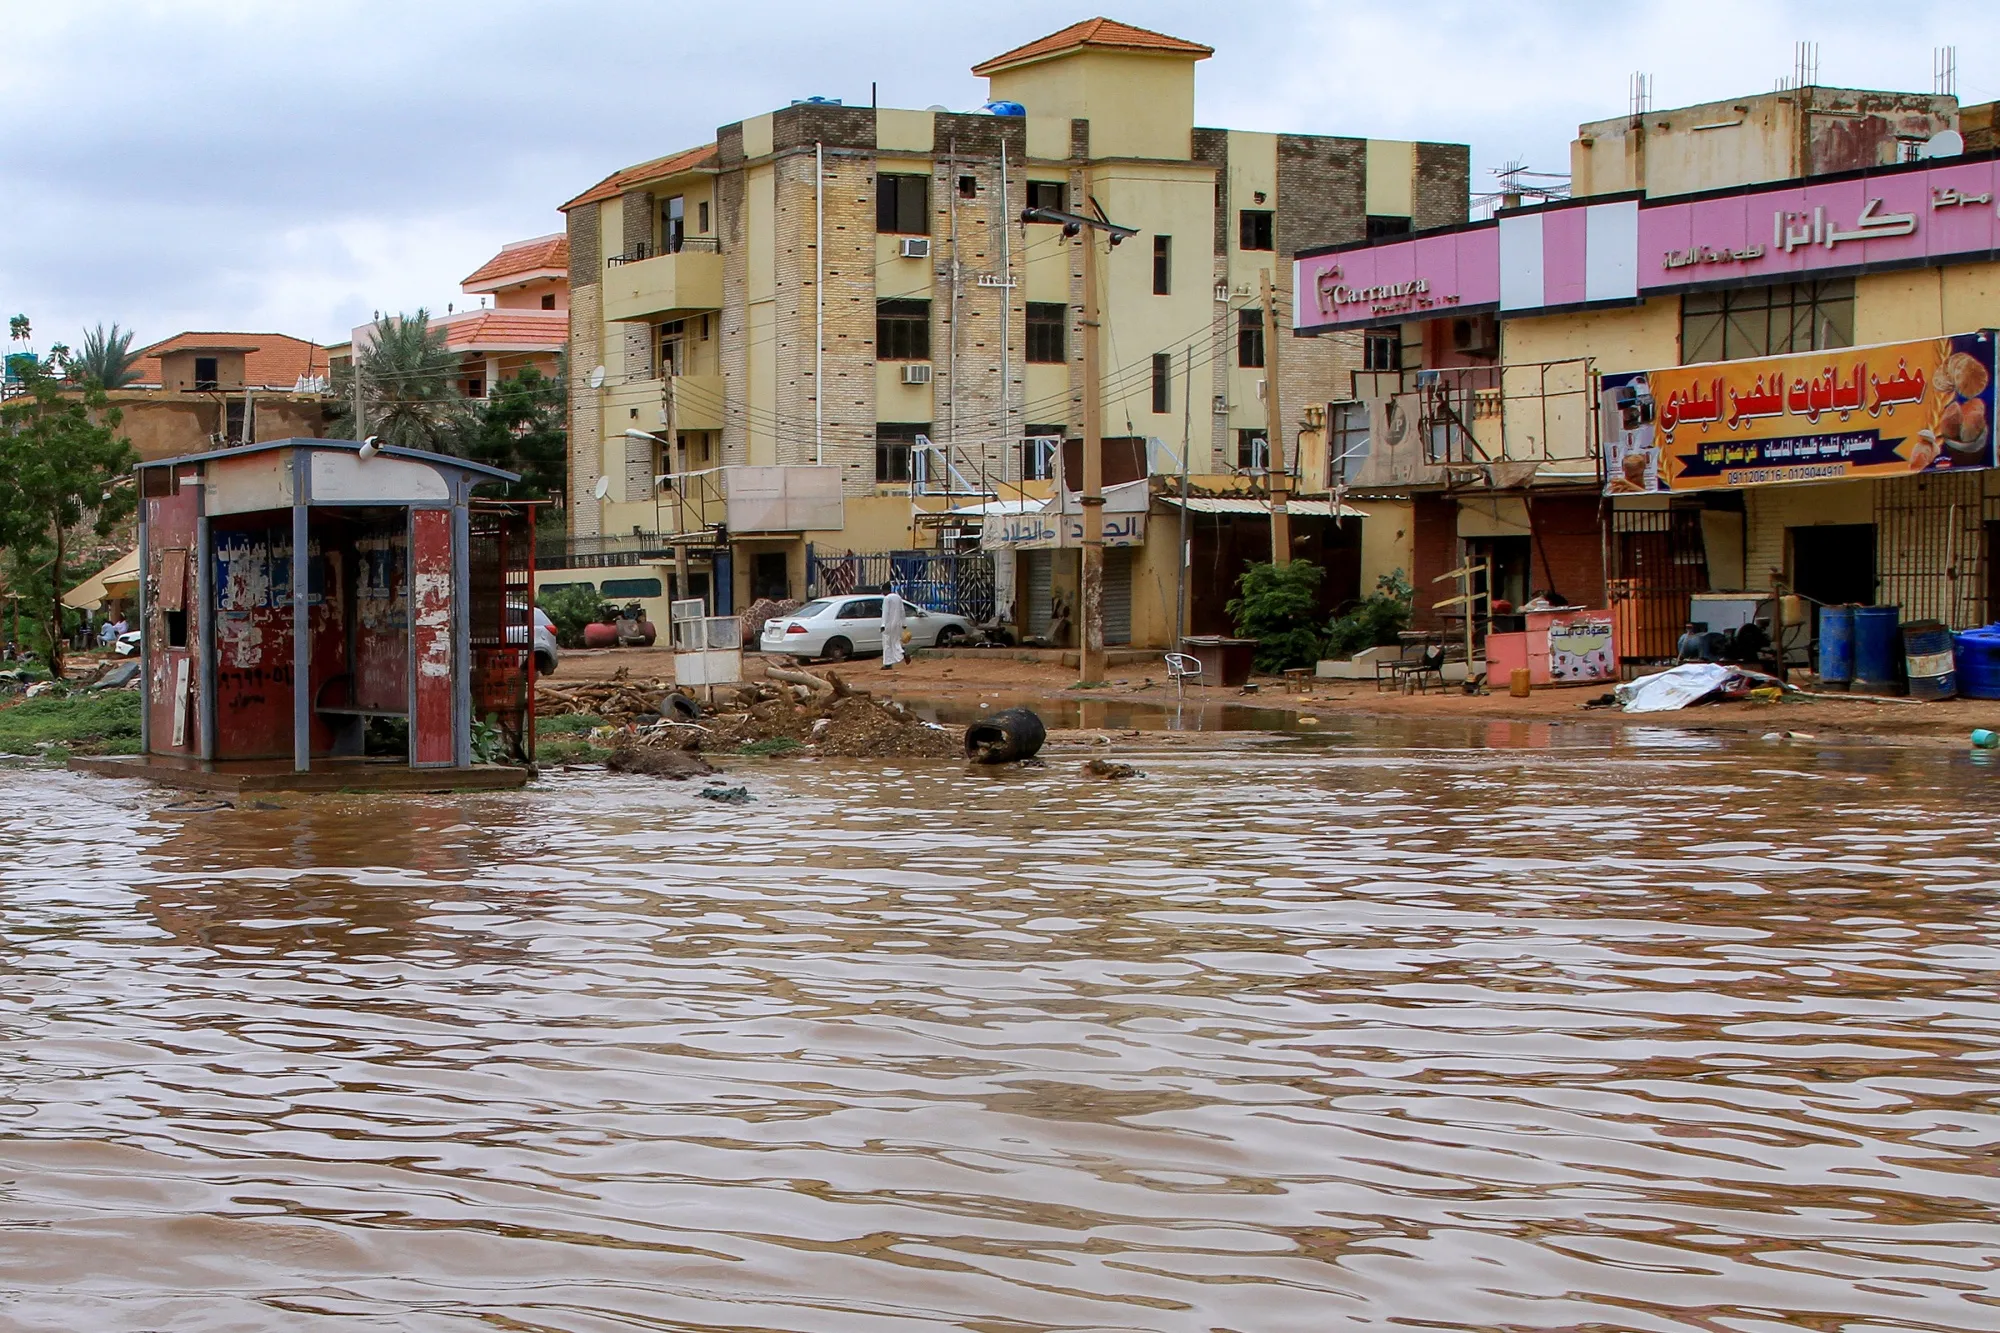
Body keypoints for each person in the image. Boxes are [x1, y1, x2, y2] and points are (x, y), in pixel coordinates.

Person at [879, 581, 906, 670]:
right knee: (896, 641)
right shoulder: (898, 597)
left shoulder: (887, 599)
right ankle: (902, 653)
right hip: (897, 624)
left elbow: (885, 612)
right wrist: (904, 623)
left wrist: (883, 625)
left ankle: (887, 663)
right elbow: (902, 611)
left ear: (885, 590)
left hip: (888, 625)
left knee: (887, 643)